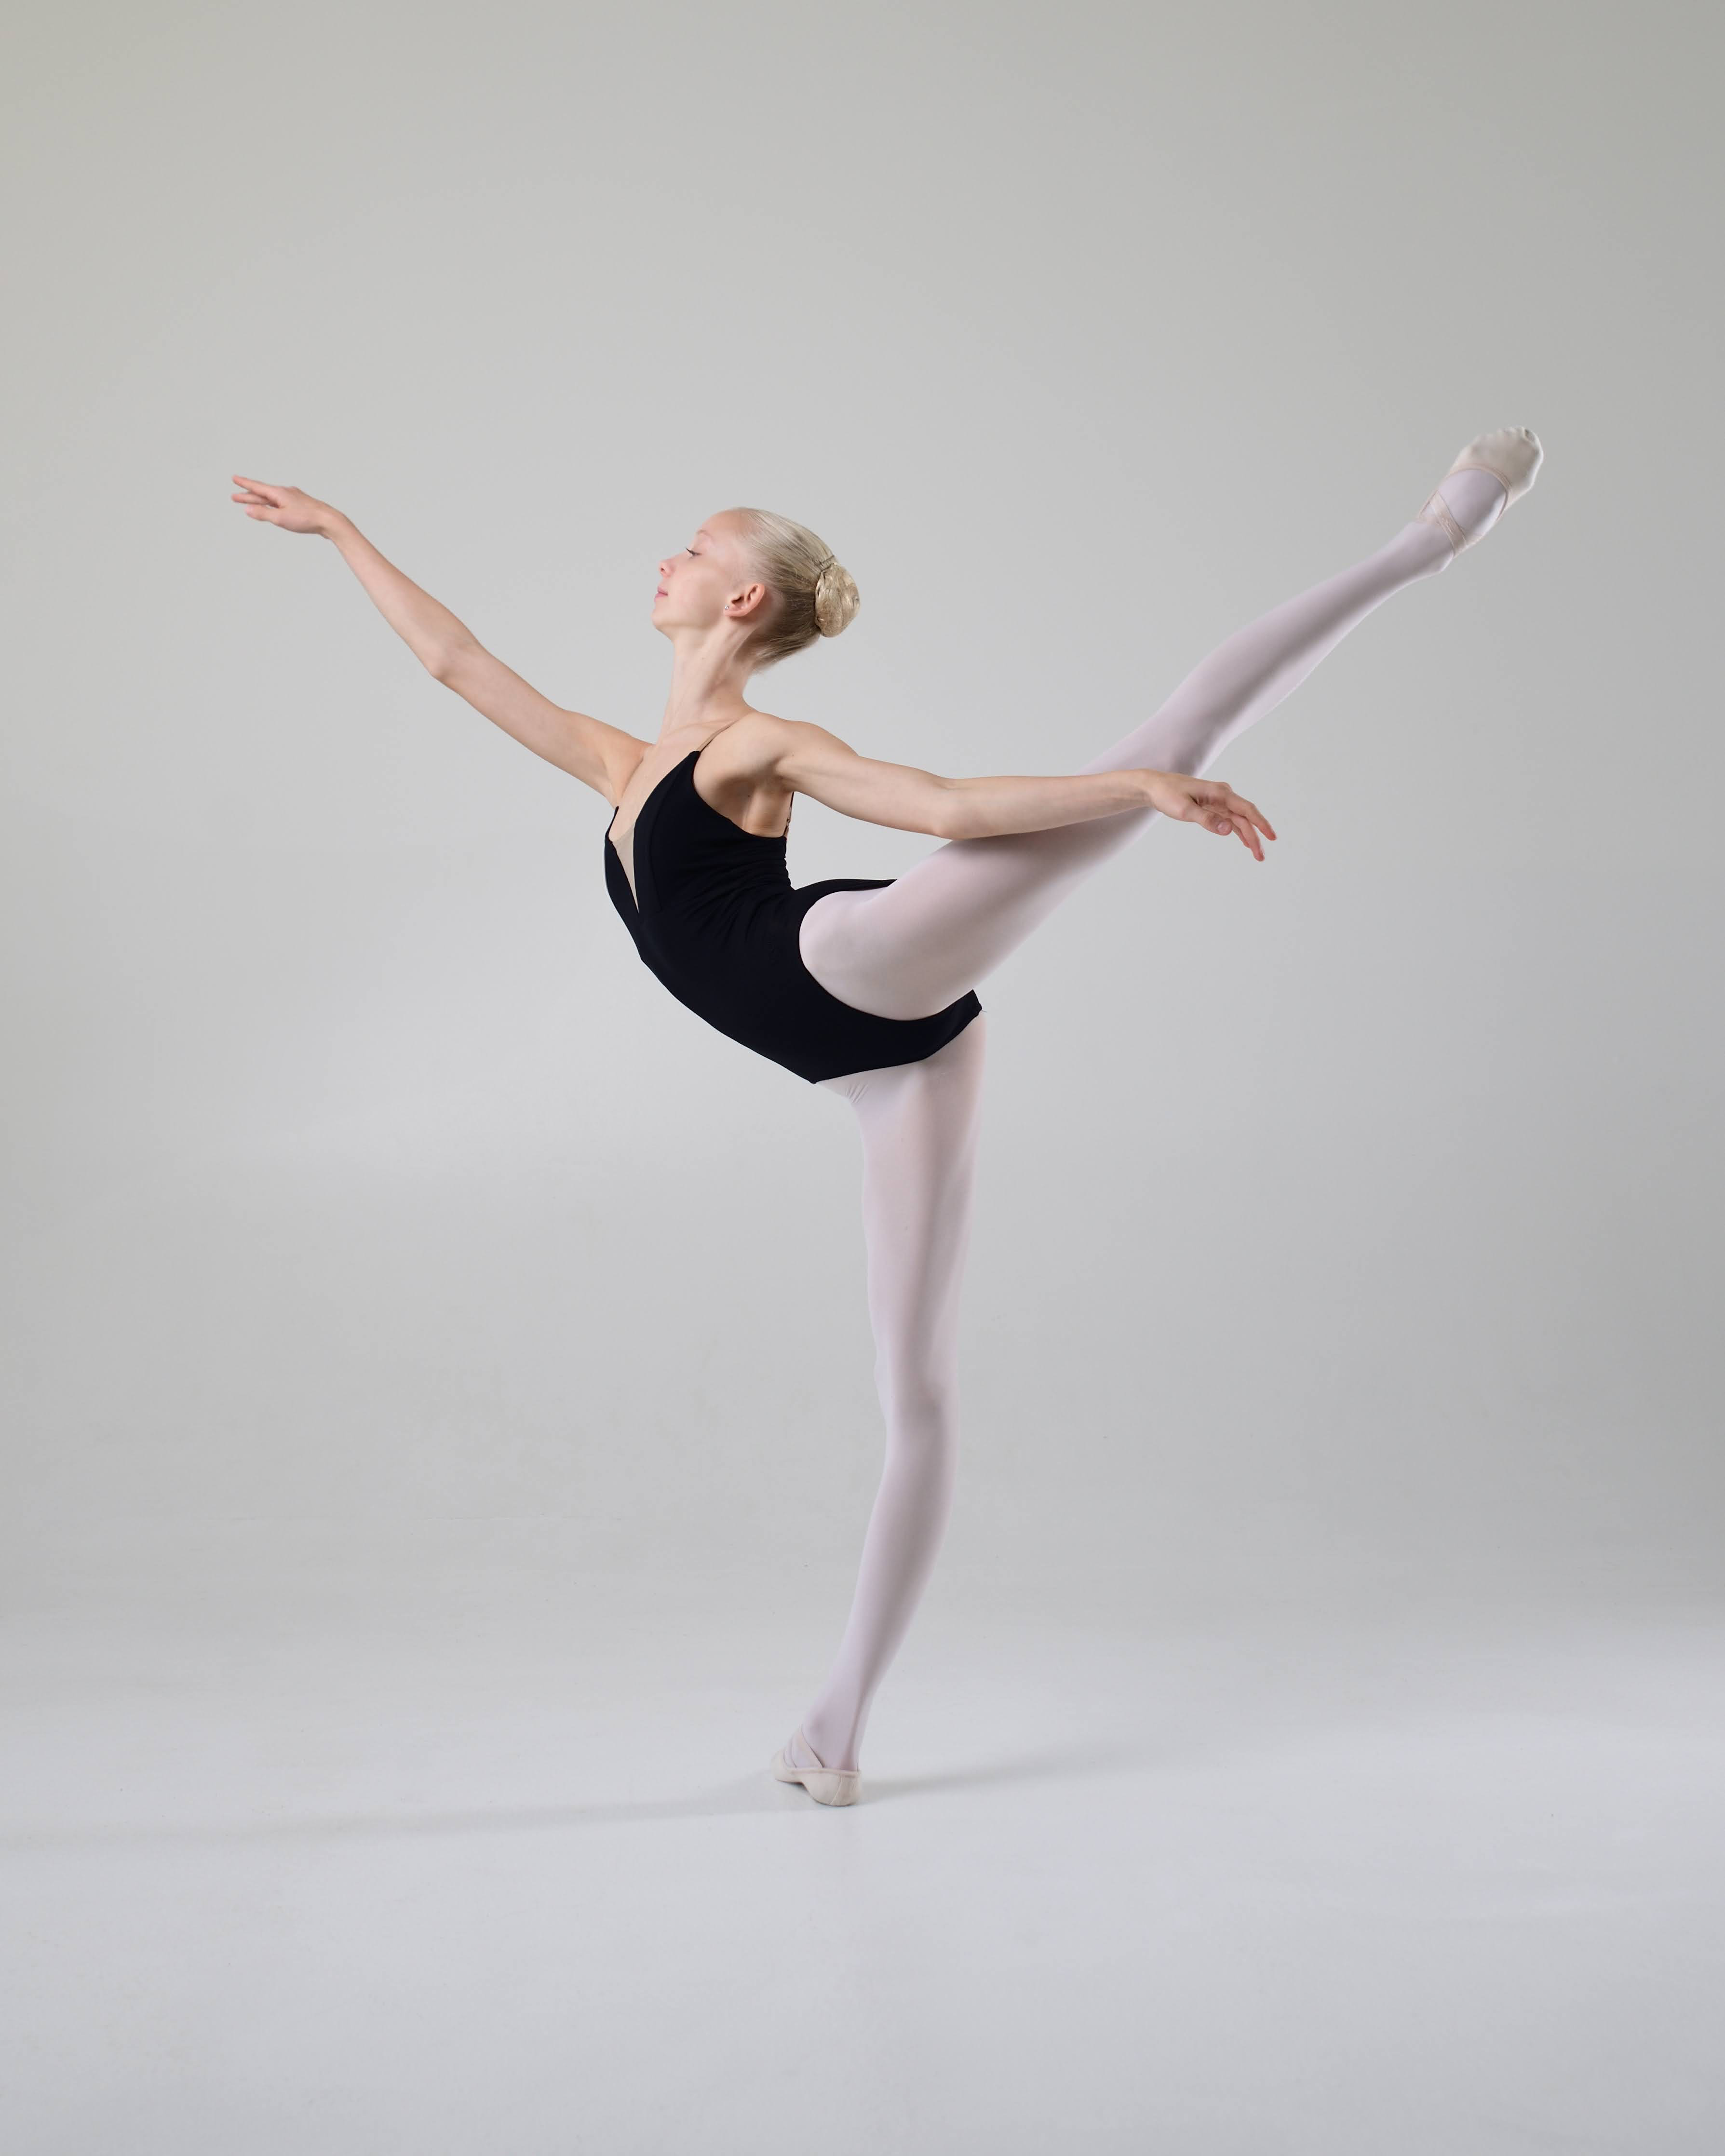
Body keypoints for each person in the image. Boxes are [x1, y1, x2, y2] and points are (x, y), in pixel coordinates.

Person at [231, 427, 1542, 1806]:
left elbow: (947, 808)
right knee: (915, 1395)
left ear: (742, 597)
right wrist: (340, 530)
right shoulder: (623, 764)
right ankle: (835, 1737)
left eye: (695, 546)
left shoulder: (760, 744)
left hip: (846, 965)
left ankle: (1432, 537)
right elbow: (455, 662)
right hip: (889, 1066)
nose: (668, 558)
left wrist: (1134, 797)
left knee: (1169, 741)